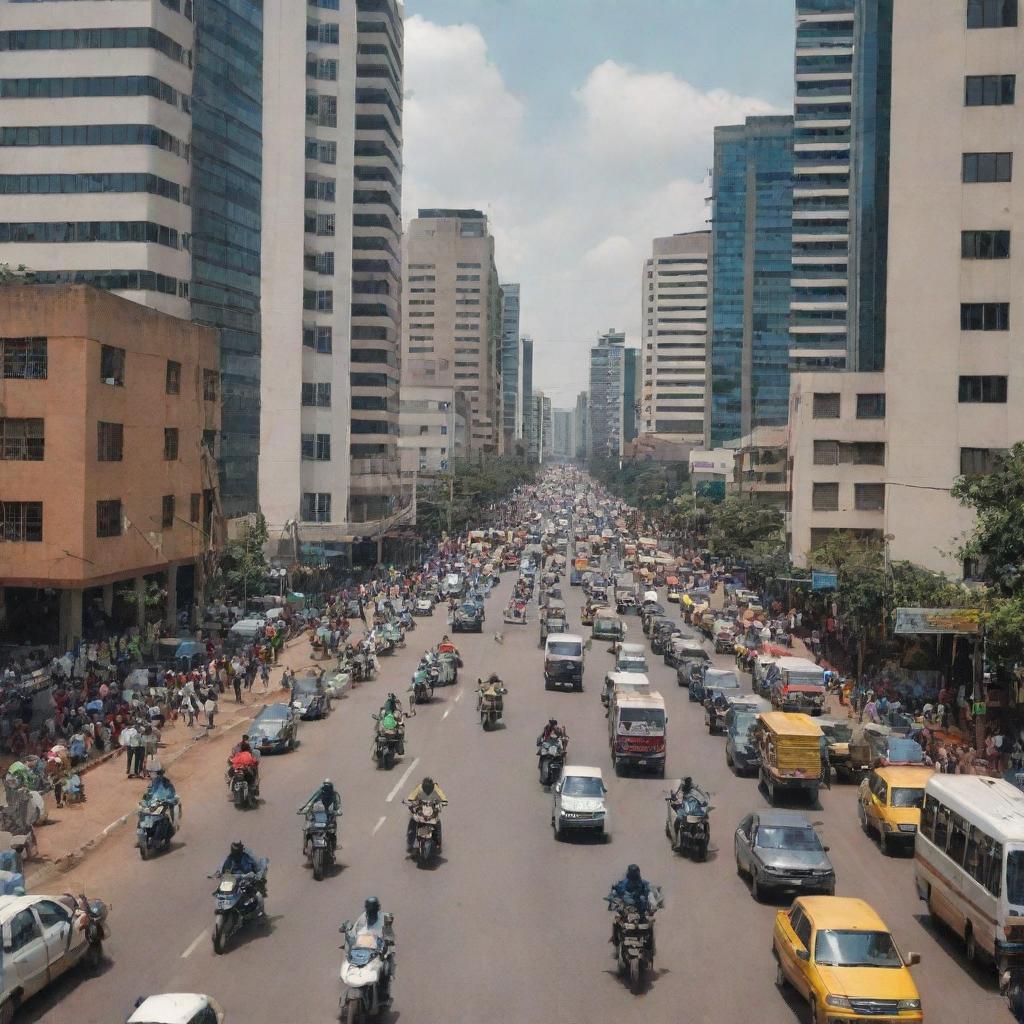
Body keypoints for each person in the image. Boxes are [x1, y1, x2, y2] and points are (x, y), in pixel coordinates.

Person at [342, 897, 395, 1003]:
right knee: (349, 966)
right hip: (363, 949)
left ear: (377, 908)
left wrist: (387, 942)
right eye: (369, 909)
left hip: (379, 950)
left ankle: (383, 995)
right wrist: (348, 934)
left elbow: (389, 934)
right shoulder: (363, 917)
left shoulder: (384, 918)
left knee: (385, 968)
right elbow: (354, 932)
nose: (371, 912)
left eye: (373, 909)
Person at [607, 864, 661, 950]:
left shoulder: (643, 884)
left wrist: (654, 905)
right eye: (632, 879)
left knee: (649, 924)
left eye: (634, 879)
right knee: (616, 921)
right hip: (627, 913)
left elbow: (652, 895)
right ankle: (616, 941)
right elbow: (613, 895)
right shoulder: (623, 885)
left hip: (641, 914)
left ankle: (649, 946)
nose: (633, 882)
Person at [218, 840, 267, 916]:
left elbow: (257, 865)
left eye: (236, 850)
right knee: (221, 891)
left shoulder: (248, 856)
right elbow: (223, 867)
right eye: (234, 850)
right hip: (234, 881)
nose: (235, 853)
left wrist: (257, 874)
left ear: (240, 849)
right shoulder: (229, 859)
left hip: (247, 880)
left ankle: (261, 915)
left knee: (258, 895)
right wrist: (219, 873)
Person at [405, 776, 447, 853]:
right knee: (412, 822)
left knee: (437, 824)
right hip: (420, 810)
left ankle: (438, 843)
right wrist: (411, 803)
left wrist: (442, 803)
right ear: (423, 786)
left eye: (429, 788)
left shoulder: (436, 788)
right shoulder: (419, 787)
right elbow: (411, 797)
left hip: (431, 811)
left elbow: (443, 798)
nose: (427, 790)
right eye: (426, 788)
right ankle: (410, 843)